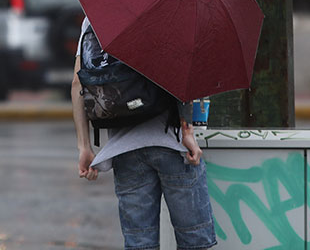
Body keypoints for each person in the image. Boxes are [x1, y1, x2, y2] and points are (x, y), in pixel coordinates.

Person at [72, 16, 216, 250]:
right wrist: (187, 131)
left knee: (140, 244)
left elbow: (78, 84)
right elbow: (181, 74)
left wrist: (84, 147)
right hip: (172, 144)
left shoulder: (94, 17)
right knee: (195, 242)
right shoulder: (165, 9)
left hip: (125, 149)